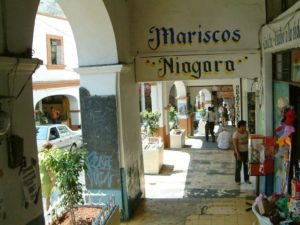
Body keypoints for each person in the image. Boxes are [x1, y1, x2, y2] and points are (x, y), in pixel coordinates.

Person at [233, 120, 251, 185]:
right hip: (239, 152)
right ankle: (238, 180)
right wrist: (238, 154)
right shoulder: (236, 134)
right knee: (238, 167)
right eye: (243, 127)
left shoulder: (246, 132)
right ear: (239, 127)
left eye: (245, 127)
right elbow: (235, 145)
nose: (245, 128)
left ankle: (247, 179)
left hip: (246, 152)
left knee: (246, 166)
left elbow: (249, 141)